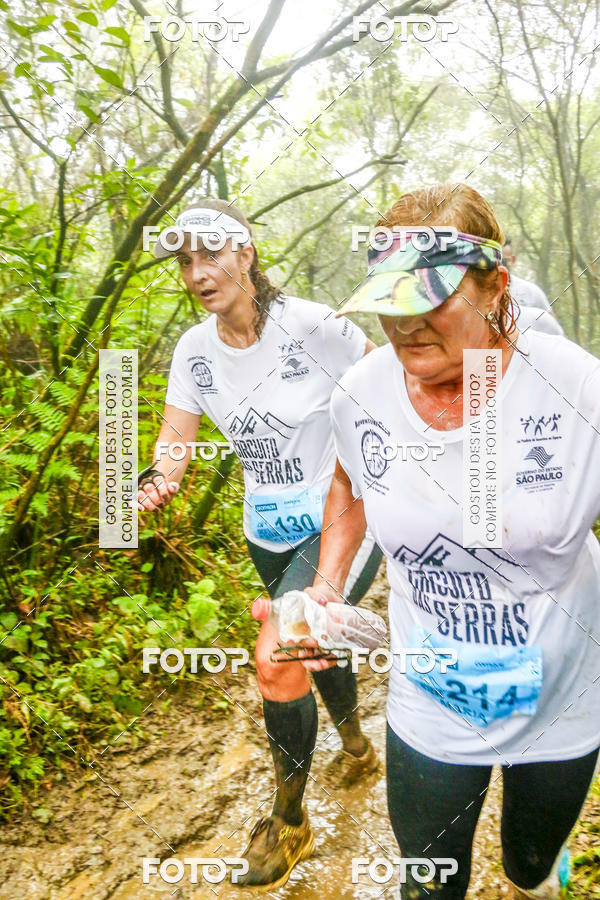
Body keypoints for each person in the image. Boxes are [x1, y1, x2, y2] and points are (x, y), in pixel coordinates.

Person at [304, 184, 600, 898]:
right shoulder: (360, 392)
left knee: (529, 870)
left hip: (561, 694)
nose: (403, 324)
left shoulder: (576, 391)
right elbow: (349, 481)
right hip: (432, 697)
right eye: (388, 299)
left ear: (495, 285)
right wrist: (326, 584)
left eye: (429, 299)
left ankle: (543, 871)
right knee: (430, 884)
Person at [136, 199, 383, 890]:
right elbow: (174, 443)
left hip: (338, 522)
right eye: (185, 261)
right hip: (264, 530)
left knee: (279, 649)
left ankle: (289, 820)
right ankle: (359, 748)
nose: (197, 272)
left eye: (210, 254)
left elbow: (387, 390)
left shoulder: (316, 327)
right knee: (311, 647)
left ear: (245, 253)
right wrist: (156, 480)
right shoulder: (194, 350)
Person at [502, 238, 564, 336]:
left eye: (505, 260)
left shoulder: (531, 291)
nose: (502, 265)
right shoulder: (480, 292)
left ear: (513, 260)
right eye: (498, 261)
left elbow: (555, 331)